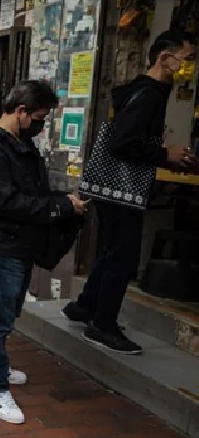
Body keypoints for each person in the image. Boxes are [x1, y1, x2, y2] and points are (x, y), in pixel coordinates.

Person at [62, 30, 197, 354]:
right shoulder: (149, 94)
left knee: (111, 251)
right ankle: (102, 325)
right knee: (123, 258)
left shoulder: (142, 90)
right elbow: (123, 142)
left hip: (110, 189)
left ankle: (86, 306)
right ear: (165, 58)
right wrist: (165, 154)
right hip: (121, 190)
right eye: (188, 59)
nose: (190, 67)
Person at [0, 80, 86, 424]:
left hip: (18, 245)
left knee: (4, 312)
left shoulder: (20, 143)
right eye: (38, 117)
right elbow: (7, 202)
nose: (41, 124)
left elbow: (32, 192)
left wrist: (62, 202)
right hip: (2, 246)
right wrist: (59, 208)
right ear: (20, 111)